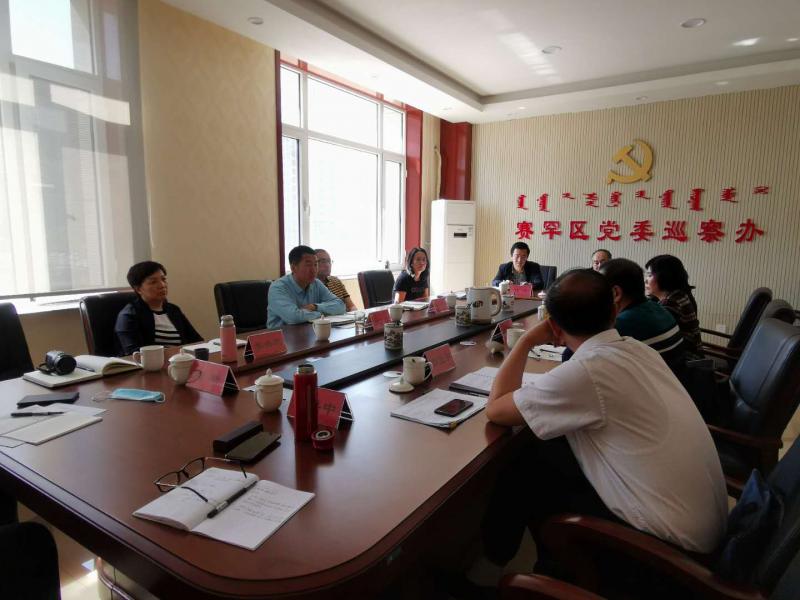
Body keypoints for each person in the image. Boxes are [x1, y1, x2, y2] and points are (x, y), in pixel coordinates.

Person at [482, 269, 727, 573]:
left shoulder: (588, 371)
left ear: (554, 326)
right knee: (543, 452)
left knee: (526, 468)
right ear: (615, 311)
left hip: (669, 553)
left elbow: (496, 409)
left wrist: (526, 340)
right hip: (703, 527)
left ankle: (506, 568)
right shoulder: (637, 348)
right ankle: (509, 560)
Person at [599, 258, 687, 373]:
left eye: (598, 288)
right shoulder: (658, 308)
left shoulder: (621, 324)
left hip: (658, 381)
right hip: (677, 378)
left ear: (616, 293)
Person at [115, 261, 202, 356]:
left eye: (163, 279)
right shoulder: (129, 315)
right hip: (151, 363)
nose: (162, 285)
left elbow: (197, 341)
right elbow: (133, 353)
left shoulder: (173, 310)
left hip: (181, 360)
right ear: (138, 289)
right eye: (153, 282)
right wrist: (172, 353)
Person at [267, 245, 345, 328]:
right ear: (293, 268)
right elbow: (293, 317)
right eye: (308, 265)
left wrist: (315, 307)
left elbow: (340, 306)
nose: (313, 270)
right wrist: (322, 314)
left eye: (315, 264)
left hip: (309, 331)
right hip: (281, 334)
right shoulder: (278, 287)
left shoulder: (316, 283)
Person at [645, 254, 702, 357]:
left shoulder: (671, 303)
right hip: (685, 352)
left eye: (649, 275)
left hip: (685, 359)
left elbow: (655, 334)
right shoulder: (679, 294)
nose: (645, 280)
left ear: (664, 277)